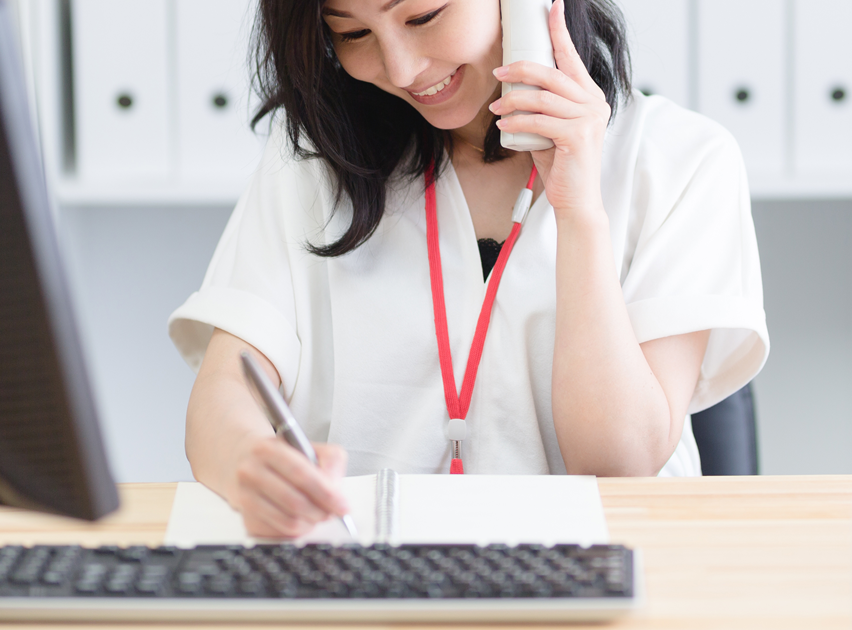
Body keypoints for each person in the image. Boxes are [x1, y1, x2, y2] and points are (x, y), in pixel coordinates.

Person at [169, 0, 769, 538]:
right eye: (352, 34)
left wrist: (579, 211)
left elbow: (616, 463)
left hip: (600, 583)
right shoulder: (313, 162)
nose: (400, 68)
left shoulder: (684, 162)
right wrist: (252, 466)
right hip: (371, 581)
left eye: (423, 17)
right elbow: (225, 390)